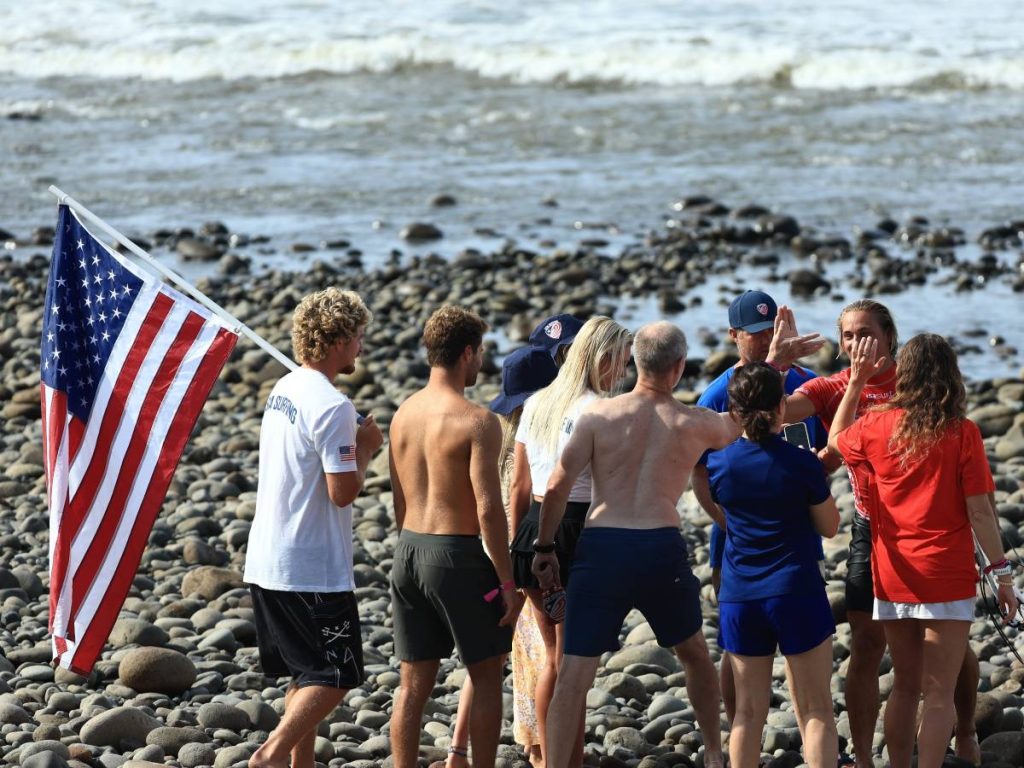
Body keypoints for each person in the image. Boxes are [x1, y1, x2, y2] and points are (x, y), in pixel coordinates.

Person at [779, 299, 982, 766]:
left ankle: (967, 728)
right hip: (871, 528)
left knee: (951, 648)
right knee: (866, 642)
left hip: (931, 526)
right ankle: (867, 758)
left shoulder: (914, 379)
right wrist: (778, 361)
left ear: (890, 336)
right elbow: (775, 412)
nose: (857, 343)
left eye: (866, 332)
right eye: (848, 335)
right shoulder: (833, 386)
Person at [528, 321, 739, 768]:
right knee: (696, 655)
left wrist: (544, 548)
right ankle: (716, 754)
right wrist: (771, 360)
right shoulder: (694, 423)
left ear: (634, 362)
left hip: (602, 547)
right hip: (660, 548)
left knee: (574, 675)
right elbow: (746, 420)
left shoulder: (597, 417)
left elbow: (558, 485)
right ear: (679, 366)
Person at [830, 333, 1018, 768]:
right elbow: (982, 514)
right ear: (951, 375)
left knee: (903, 686)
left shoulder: (875, 426)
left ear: (904, 374)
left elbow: (837, 440)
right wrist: (1002, 576)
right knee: (938, 693)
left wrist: (855, 383)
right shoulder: (962, 432)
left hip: (893, 573)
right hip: (946, 574)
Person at [246, 288, 384, 768]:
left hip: (268, 558)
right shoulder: (332, 406)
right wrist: (367, 446)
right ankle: (270, 756)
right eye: (359, 338)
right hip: (310, 568)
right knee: (338, 674)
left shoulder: (284, 388)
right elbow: (343, 492)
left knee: (305, 674)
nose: (362, 348)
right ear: (338, 339)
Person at [388, 306, 525, 768]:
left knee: (412, 684)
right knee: (487, 677)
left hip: (408, 549)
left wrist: (408, 549)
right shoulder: (477, 421)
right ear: (467, 352)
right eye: (481, 351)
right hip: (456, 556)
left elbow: (398, 499)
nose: (481, 360)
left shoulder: (403, 413)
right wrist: (506, 582)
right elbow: (488, 508)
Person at [690, 290, 826, 724]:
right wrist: (728, 523)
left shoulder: (803, 383)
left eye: (772, 331)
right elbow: (697, 471)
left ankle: (807, 733)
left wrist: (809, 493)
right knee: (739, 650)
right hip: (735, 543)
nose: (766, 340)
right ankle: (741, 731)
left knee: (799, 645)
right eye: (755, 334)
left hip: (798, 538)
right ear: (733, 336)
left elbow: (824, 452)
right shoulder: (716, 395)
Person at [508, 315, 632, 767]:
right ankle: (567, 760)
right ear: (600, 358)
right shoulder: (599, 409)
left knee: (553, 657)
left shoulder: (538, 402)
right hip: (572, 530)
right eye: (620, 362)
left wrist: (515, 554)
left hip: (532, 530)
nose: (623, 373)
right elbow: (609, 485)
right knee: (568, 661)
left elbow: (518, 486)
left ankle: (553, 756)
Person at [706, 362, 839, 768]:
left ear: (733, 412)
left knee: (747, 714)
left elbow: (722, 512)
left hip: (740, 595)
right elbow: (830, 526)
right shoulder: (802, 464)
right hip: (795, 588)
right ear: (782, 407)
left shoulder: (719, 464)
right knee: (816, 710)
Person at [441, 345, 559, 768]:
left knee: (487, 658)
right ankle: (543, 747)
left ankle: (458, 749)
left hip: (490, 559)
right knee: (543, 653)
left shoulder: (496, 436)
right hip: (520, 559)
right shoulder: (541, 441)